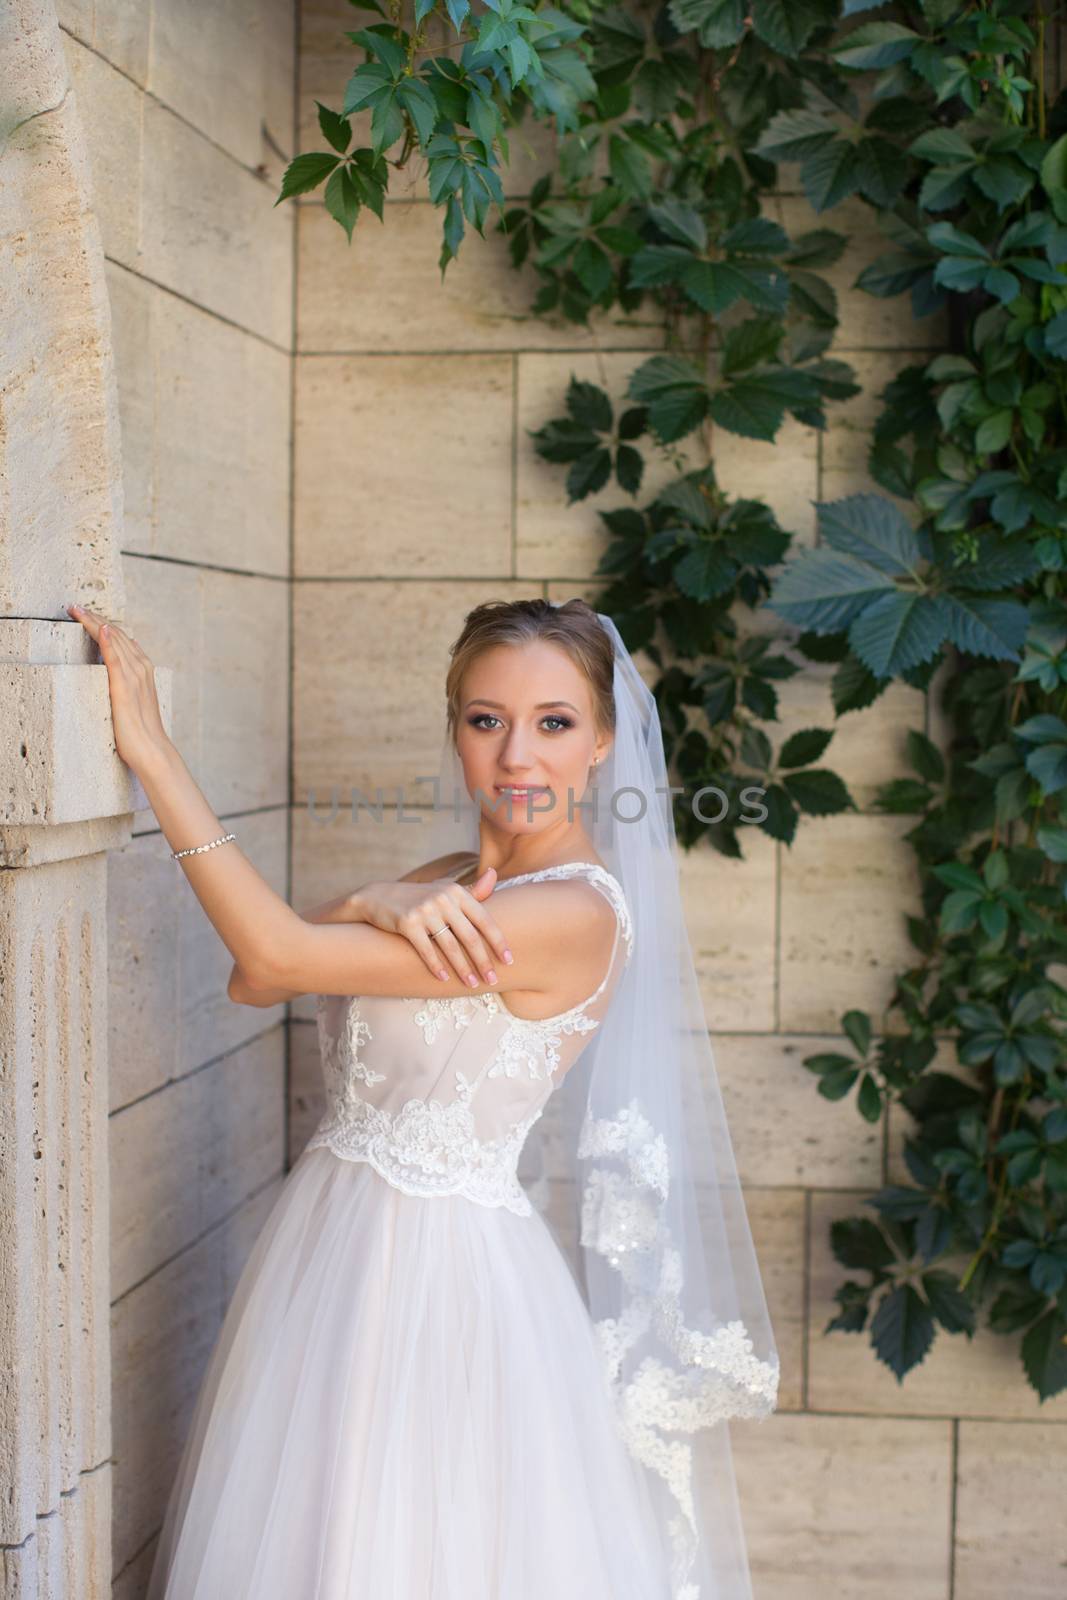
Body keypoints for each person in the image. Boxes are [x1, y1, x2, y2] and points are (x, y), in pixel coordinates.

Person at [66, 594, 778, 1599]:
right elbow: (258, 982)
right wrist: (373, 898)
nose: (517, 757)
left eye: (553, 722)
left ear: (602, 741)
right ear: (454, 730)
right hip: (327, 1249)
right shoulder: (449, 878)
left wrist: (153, 753)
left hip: (439, 1282)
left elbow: (271, 950)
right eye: (486, 720)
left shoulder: (575, 912)